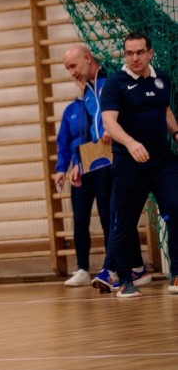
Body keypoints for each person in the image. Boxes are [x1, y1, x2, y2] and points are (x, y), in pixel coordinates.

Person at [61, 44, 150, 292]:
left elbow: (130, 112)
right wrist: (79, 163)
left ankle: (116, 269)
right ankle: (133, 267)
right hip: (100, 161)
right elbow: (93, 134)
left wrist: (117, 129)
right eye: (67, 68)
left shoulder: (113, 80)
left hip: (122, 155)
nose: (71, 73)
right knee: (110, 215)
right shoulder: (88, 93)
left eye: (73, 66)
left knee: (118, 214)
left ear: (88, 58)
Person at [100, 32, 178, 298]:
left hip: (162, 160)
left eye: (140, 52)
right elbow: (109, 121)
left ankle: (177, 275)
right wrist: (131, 143)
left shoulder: (162, 79)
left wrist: (177, 133)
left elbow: (164, 110)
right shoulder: (115, 84)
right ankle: (124, 281)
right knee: (124, 220)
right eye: (129, 53)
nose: (135, 58)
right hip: (129, 163)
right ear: (125, 55)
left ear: (150, 53)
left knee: (176, 208)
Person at [53, 81, 101, 286]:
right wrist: (61, 169)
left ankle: (114, 266)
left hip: (100, 164)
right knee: (80, 219)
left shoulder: (99, 102)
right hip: (78, 171)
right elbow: (63, 143)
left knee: (110, 215)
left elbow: (97, 133)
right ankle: (82, 268)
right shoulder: (71, 110)